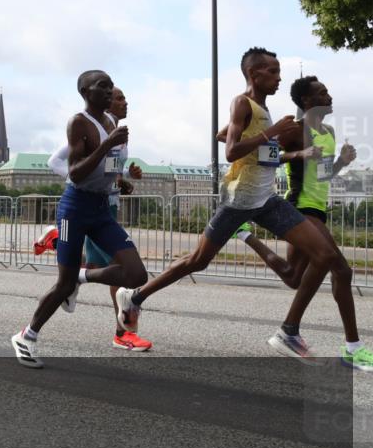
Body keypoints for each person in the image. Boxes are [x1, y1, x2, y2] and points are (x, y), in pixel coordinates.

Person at [113, 48, 372, 369]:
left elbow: (266, 154)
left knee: (321, 262)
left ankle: (291, 332)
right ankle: (135, 297)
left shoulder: (271, 112)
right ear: (254, 74)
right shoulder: (247, 105)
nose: (279, 77)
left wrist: (309, 155)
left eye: (279, 72)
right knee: (198, 261)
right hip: (240, 198)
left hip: (267, 200)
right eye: (273, 72)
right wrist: (275, 136)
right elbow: (231, 148)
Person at [215, 75, 371, 370]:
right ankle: (346, 345)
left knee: (293, 276)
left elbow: (323, 174)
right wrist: (294, 152)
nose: (330, 96)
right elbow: (227, 138)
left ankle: (246, 236)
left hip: (318, 207)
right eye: (323, 93)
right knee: (341, 269)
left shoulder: (328, 132)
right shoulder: (295, 130)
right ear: (307, 102)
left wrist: (342, 162)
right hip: (300, 205)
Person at [11, 71, 148, 368]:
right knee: (62, 285)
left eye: (112, 85)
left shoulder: (111, 122)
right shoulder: (79, 123)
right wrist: (106, 143)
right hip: (75, 208)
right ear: (86, 91)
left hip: (101, 207)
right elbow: (75, 172)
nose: (109, 90)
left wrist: (122, 178)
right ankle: (27, 335)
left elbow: (108, 167)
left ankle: (81, 277)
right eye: (103, 86)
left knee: (137, 275)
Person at [46, 87, 151, 351]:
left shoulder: (119, 132)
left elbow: (107, 167)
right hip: (87, 206)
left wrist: (123, 178)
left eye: (125, 97)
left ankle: (68, 262)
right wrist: (79, 182)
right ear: (104, 104)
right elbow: (55, 161)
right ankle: (122, 332)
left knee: (107, 267)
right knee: (120, 271)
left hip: (107, 207)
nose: (125, 102)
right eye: (119, 98)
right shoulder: (91, 128)